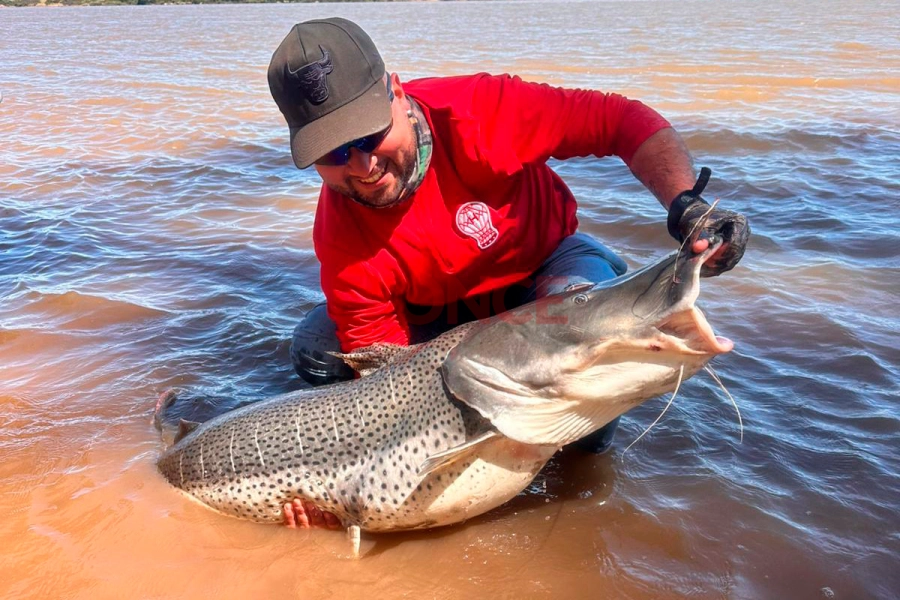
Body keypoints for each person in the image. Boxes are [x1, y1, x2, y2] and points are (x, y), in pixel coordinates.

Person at [267, 18, 749, 529]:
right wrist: (339, 492)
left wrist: (685, 203)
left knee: (585, 397)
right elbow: (386, 383)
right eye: (335, 152)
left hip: (542, 271)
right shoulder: (340, 238)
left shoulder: (479, 111)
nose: (363, 166)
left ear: (397, 94)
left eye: (370, 136)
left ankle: (576, 476)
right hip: (436, 315)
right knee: (320, 349)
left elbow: (620, 121)